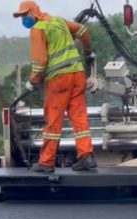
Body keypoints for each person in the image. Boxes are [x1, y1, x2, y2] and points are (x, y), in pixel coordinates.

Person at [13, 0, 97, 172]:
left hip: (59, 79)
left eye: (24, 15)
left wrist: (32, 81)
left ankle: (46, 161)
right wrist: (87, 52)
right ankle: (86, 156)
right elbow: (83, 30)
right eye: (21, 16)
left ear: (34, 12)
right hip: (78, 74)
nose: (23, 19)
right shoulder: (58, 21)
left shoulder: (37, 29)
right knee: (79, 117)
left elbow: (40, 62)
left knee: (52, 120)